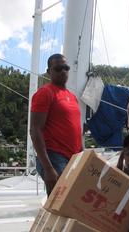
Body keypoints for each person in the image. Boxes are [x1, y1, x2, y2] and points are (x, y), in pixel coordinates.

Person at [30, 54, 82, 196]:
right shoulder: (45, 93)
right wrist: (48, 168)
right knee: (60, 204)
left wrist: (82, 155)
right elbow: (35, 130)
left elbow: (76, 129)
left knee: (72, 203)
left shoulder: (72, 97)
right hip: (54, 158)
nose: (63, 71)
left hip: (73, 158)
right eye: (58, 68)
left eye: (66, 68)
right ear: (49, 71)